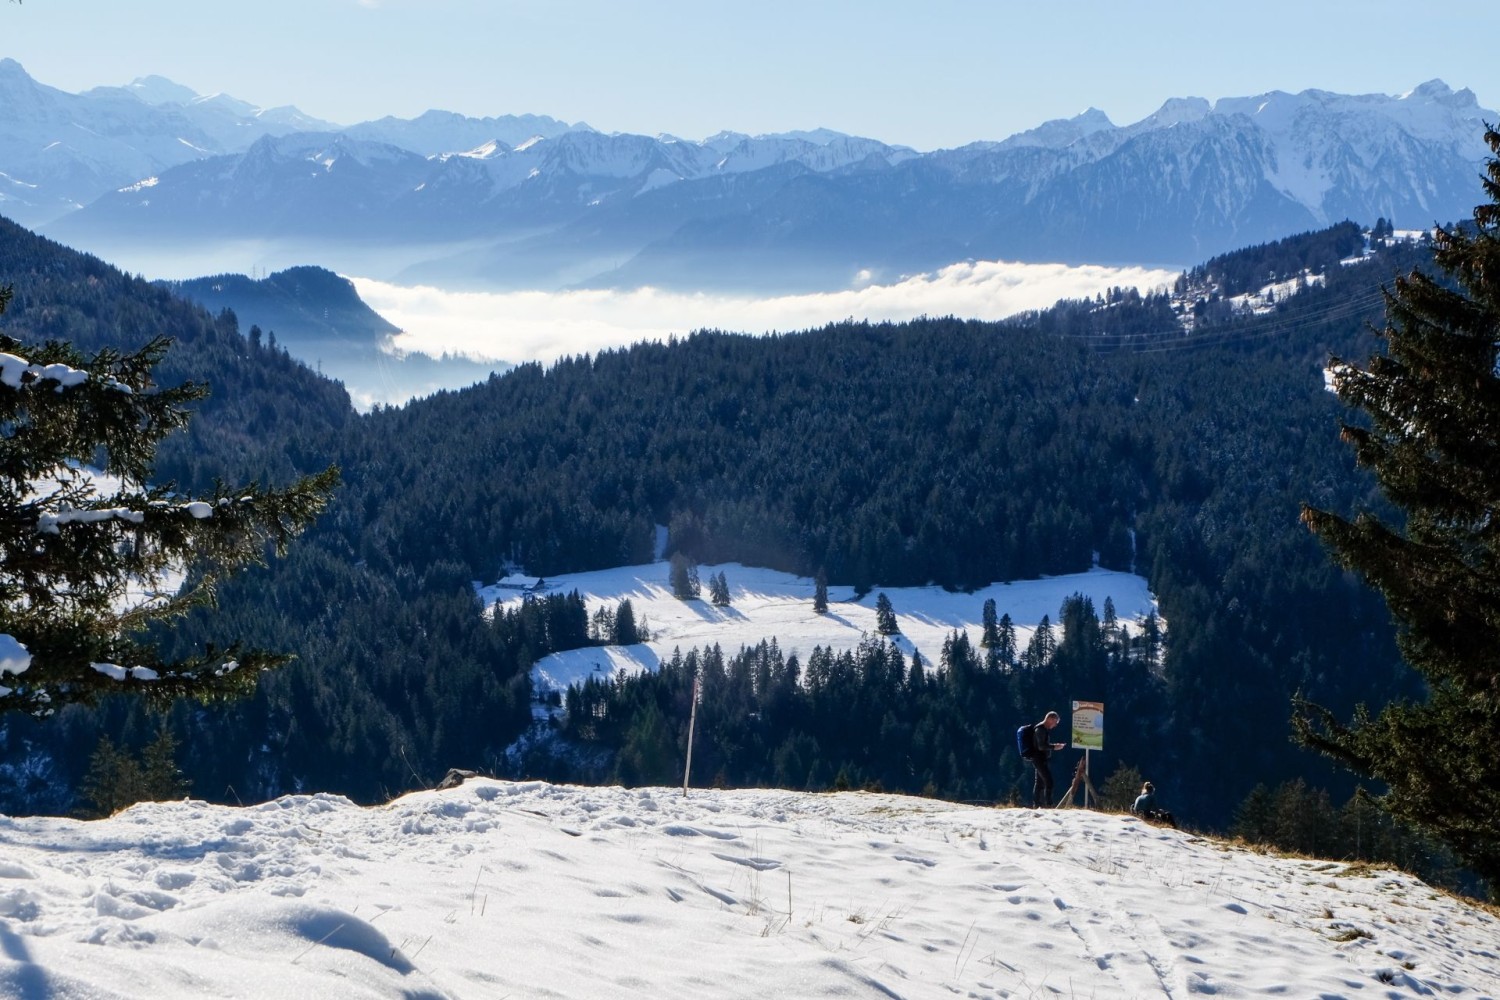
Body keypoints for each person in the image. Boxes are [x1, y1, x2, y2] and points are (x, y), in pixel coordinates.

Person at [1029, 710, 1066, 808]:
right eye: (1055, 722)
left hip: (1039, 759)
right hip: (1038, 759)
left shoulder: (1042, 729)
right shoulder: (1040, 729)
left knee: (1040, 783)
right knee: (1049, 781)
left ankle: (1036, 804)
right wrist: (1054, 747)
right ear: (1050, 719)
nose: (1055, 725)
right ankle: (1048, 804)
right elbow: (1041, 746)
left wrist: (1054, 746)